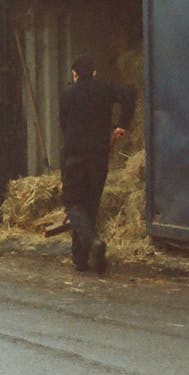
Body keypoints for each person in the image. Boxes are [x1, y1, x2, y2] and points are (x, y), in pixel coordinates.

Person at [59, 54, 135, 274]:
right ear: (94, 72)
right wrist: (122, 125)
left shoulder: (67, 94)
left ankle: (92, 242)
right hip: (99, 155)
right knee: (90, 205)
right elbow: (129, 95)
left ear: (74, 74)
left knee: (72, 202)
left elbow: (63, 125)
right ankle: (82, 260)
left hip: (75, 155)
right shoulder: (105, 88)